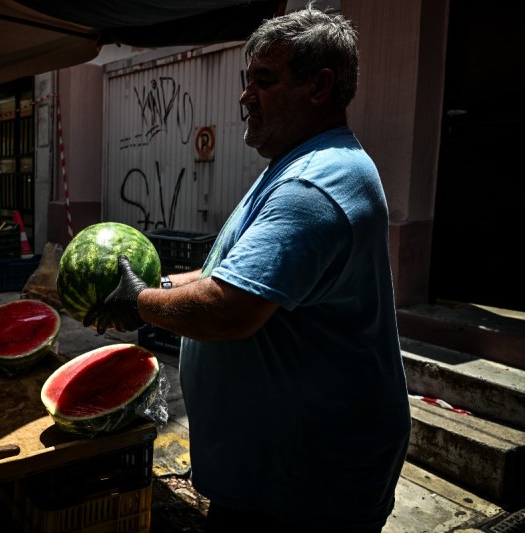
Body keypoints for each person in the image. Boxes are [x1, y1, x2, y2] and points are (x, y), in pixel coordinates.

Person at [85, 4, 412, 532]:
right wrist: (159, 286)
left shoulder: (313, 185)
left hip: (304, 484)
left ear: (318, 86)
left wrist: (139, 302)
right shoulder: (296, 167)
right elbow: (228, 272)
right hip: (278, 472)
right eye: (246, 80)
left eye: (264, 80)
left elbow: (230, 308)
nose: (244, 96)